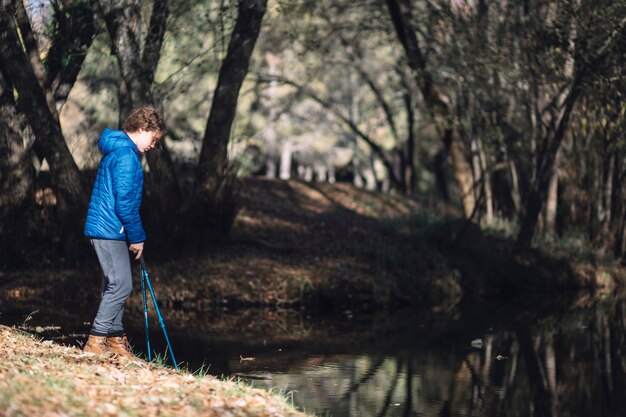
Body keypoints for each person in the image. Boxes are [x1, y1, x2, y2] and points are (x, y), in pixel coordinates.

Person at [83, 107, 165, 358]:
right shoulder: (126, 157)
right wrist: (137, 236)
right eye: (154, 137)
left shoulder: (120, 151)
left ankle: (116, 342)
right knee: (120, 285)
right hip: (109, 229)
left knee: (113, 284)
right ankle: (95, 342)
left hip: (109, 229)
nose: (153, 144)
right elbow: (125, 203)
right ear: (142, 130)